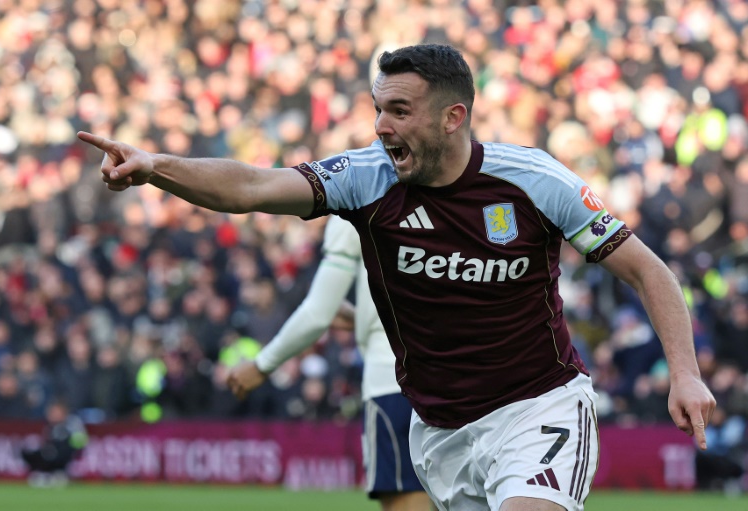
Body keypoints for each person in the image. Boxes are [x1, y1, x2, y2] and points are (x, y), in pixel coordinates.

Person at [78, 44, 716, 511]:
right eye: (378, 109)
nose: (382, 126)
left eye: (400, 111)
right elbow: (250, 185)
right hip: (438, 430)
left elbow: (648, 270)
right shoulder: (364, 177)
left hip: (537, 408)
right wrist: (156, 165)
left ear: (453, 117)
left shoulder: (535, 181)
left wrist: (684, 372)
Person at [227, 215, 433, 510]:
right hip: (464, 383)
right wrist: (364, 319)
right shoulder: (465, 192)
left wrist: (262, 365)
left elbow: (319, 313)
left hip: (393, 382)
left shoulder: (361, 193)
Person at [20, 400, 89, 487]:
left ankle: (59, 473)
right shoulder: (49, 427)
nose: (52, 415)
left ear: (63, 413)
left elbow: (79, 444)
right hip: (52, 454)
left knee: (57, 450)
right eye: (51, 412)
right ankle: (45, 473)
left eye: (55, 412)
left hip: (68, 457)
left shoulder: (72, 424)